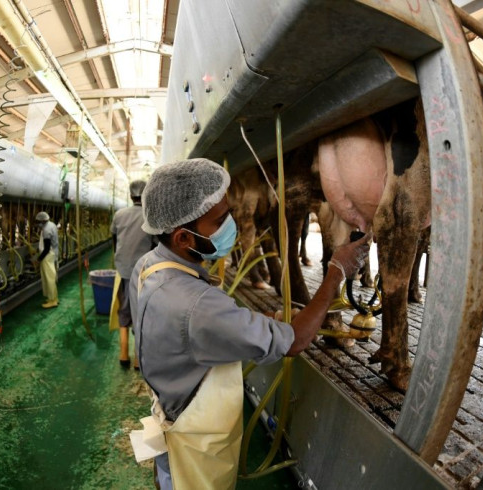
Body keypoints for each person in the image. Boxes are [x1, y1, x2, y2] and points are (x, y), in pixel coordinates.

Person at [129, 158, 371, 490]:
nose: (231, 224)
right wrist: (336, 272)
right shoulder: (199, 306)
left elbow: (190, 331)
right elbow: (296, 340)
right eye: (219, 220)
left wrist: (254, 321)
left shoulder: (148, 266)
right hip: (197, 448)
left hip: (171, 412)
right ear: (183, 238)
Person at [110, 180, 154, 366]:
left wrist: (120, 259)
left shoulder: (119, 215)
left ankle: (123, 355)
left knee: (124, 310)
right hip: (144, 274)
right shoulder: (150, 217)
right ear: (145, 196)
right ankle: (137, 360)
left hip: (123, 271)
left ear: (130, 195)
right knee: (140, 312)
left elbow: (114, 239)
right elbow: (156, 245)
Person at [34, 211, 59, 308]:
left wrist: (39, 259)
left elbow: (47, 248)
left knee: (49, 279)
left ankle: (53, 301)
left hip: (47, 255)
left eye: (38, 221)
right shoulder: (52, 225)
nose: (38, 224)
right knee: (51, 277)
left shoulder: (46, 230)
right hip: (52, 254)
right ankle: (54, 298)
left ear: (43, 220)